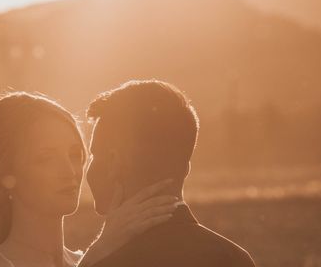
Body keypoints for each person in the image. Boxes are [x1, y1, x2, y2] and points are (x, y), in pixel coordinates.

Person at [0, 91, 182, 267]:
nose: (69, 171)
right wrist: (101, 252)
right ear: (6, 173)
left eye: (74, 155)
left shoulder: (82, 259)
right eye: (45, 158)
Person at [84, 79, 256, 267]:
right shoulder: (235, 258)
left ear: (113, 162)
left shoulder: (106, 260)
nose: (88, 171)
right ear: (186, 168)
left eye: (94, 155)